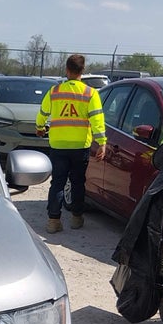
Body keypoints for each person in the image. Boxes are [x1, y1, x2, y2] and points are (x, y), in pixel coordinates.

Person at [36, 54, 107, 233]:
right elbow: (97, 120)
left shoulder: (54, 91)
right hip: (80, 146)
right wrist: (102, 143)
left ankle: (53, 221)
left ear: (67, 70)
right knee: (77, 182)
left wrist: (40, 127)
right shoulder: (91, 93)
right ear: (82, 71)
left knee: (57, 183)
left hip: (58, 145)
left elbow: (43, 113)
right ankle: (76, 218)